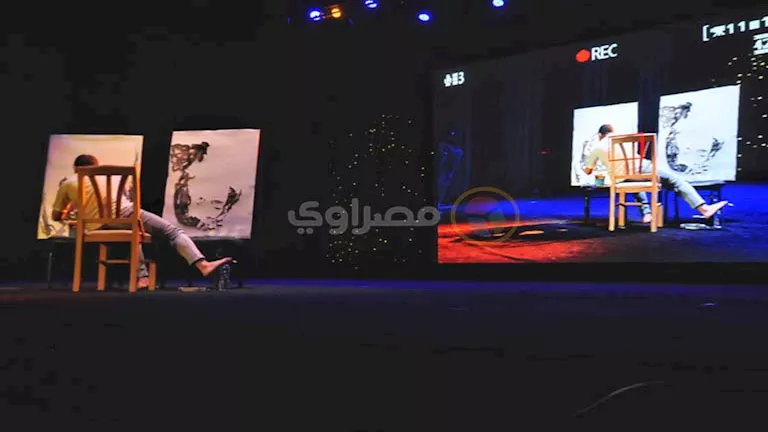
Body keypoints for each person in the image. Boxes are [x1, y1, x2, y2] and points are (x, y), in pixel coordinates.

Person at [51, 154, 232, 289]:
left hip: (95, 227)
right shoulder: (113, 178)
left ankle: (142, 278)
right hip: (124, 215)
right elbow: (122, 201)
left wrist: (70, 209)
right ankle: (202, 265)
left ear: (76, 168)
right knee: (171, 231)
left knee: (134, 234)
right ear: (96, 166)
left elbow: (56, 216)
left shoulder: (68, 183)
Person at [583, 124, 727, 223]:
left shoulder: (597, 147)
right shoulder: (623, 139)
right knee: (675, 180)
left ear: (600, 135)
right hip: (640, 169)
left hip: (621, 178)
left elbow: (588, 171)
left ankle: (647, 214)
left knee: (634, 182)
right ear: (612, 131)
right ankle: (704, 209)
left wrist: (590, 167)